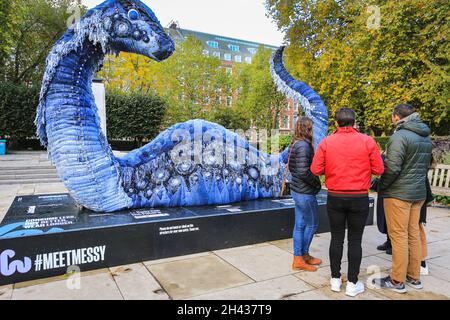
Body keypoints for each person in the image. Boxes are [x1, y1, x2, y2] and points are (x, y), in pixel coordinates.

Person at [311, 108, 384, 297]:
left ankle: (335, 279)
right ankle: (352, 283)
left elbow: (316, 169)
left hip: (335, 196)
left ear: (336, 123)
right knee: (355, 240)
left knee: (336, 239)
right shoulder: (367, 141)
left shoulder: (327, 142)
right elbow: (379, 168)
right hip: (358, 197)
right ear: (354, 122)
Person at [373, 104, 432, 294]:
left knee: (398, 236)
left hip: (399, 194)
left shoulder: (399, 136)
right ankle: (414, 277)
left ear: (397, 117)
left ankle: (397, 280)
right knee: (412, 234)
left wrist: (381, 185)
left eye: (392, 116)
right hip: (418, 193)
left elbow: (392, 168)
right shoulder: (425, 136)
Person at [288, 117, 323, 272]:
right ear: (308, 129)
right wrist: (317, 183)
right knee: (311, 224)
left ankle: (301, 257)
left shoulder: (296, 142)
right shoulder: (303, 146)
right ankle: (301, 256)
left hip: (298, 190)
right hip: (304, 192)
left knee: (300, 225)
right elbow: (303, 171)